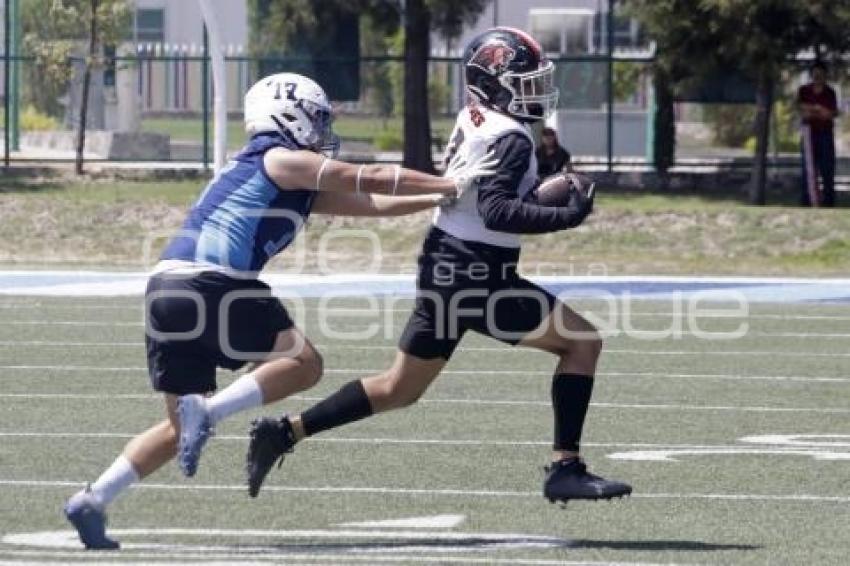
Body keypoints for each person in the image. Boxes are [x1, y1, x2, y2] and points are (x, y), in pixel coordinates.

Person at [61, 72, 494, 550]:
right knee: (304, 364)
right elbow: (367, 175)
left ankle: (93, 498)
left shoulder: (277, 169)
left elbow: (370, 201)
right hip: (214, 283)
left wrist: (440, 198)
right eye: (316, 119)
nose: (321, 130)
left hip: (167, 289)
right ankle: (209, 409)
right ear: (287, 114)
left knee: (178, 426)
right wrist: (451, 180)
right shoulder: (281, 158)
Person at [246, 28, 632, 504]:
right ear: (493, 81)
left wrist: (539, 190)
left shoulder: (476, 117)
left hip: (444, 263)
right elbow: (498, 210)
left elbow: (487, 199)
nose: (533, 90)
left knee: (398, 388)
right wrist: (565, 214)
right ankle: (565, 467)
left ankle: (284, 432)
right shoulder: (511, 137)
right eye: (523, 80)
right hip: (477, 272)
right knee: (581, 343)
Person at [797, 61, 839, 207]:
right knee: (807, 169)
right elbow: (803, 110)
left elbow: (830, 114)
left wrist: (815, 111)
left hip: (825, 134)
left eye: (820, 74)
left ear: (825, 75)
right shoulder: (804, 90)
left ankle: (828, 202)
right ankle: (807, 201)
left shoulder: (830, 92)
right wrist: (818, 109)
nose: (818, 77)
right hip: (809, 134)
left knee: (827, 169)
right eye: (815, 74)